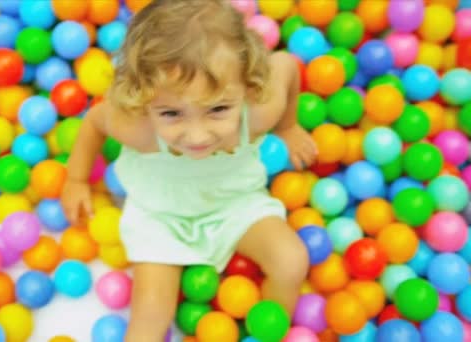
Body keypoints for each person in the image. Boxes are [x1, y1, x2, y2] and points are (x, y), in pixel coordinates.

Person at [61, 0, 317, 340]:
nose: (197, 136)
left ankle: (266, 333)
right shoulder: (139, 129)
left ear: (247, 86)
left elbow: (285, 66)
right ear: (143, 99)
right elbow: (95, 121)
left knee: (291, 260)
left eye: (218, 109)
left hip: (235, 203)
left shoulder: (259, 110)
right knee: (150, 315)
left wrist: (287, 126)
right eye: (171, 114)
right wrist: (75, 179)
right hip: (160, 215)